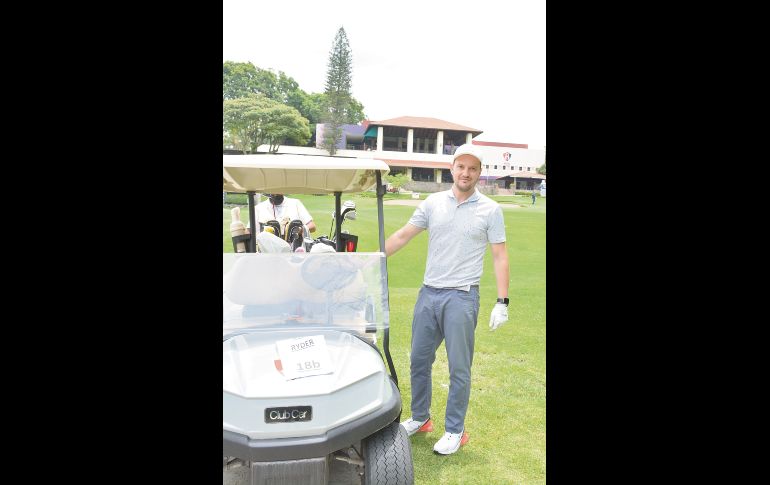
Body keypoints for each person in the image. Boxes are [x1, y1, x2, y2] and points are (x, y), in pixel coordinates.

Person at [384, 143, 510, 455]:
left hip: (462, 297)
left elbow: (500, 256)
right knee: (418, 359)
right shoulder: (432, 203)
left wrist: (502, 302)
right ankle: (420, 417)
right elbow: (402, 235)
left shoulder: (490, 210)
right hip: (429, 293)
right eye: (461, 167)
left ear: (479, 173)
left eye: (473, 168)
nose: (466, 173)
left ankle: (455, 430)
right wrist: (369, 259)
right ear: (452, 169)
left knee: (459, 368)